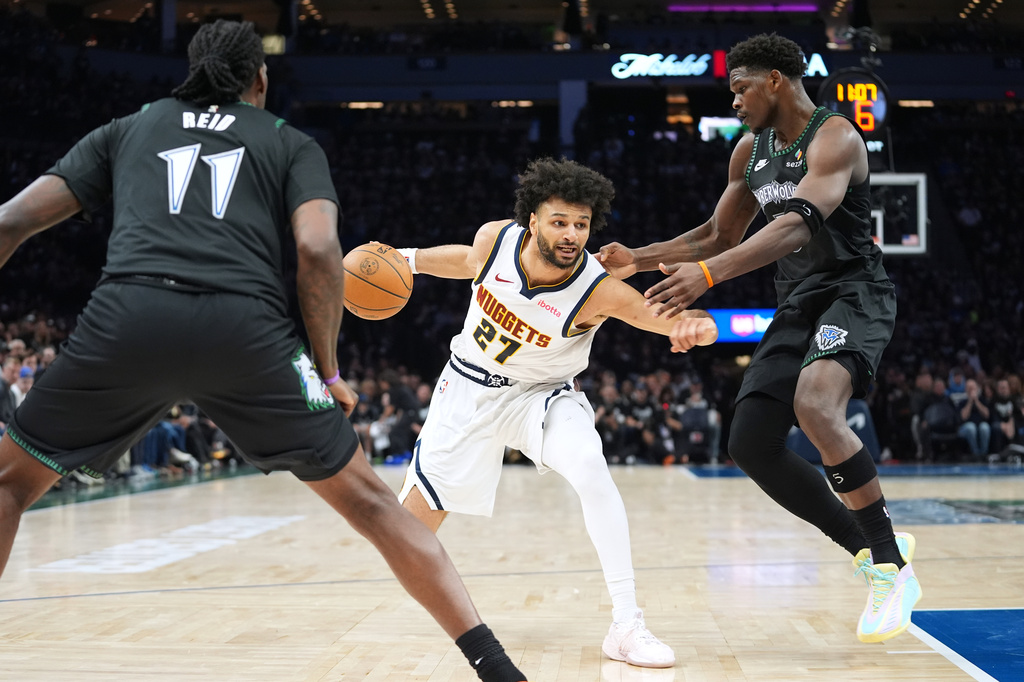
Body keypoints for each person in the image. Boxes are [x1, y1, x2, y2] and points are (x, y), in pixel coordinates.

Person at [0, 20, 526, 682]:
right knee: (370, 500)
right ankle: (497, 668)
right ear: (261, 80)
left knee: (11, 482)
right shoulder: (289, 141)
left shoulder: (130, 126)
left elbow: (11, 220)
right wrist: (328, 369)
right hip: (248, 334)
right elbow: (316, 249)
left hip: (129, 320)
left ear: (190, 71)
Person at [596, 33, 921, 643]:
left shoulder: (835, 137)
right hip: (798, 301)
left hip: (854, 291)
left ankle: (893, 570)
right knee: (749, 443)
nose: (734, 100)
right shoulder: (748, 150)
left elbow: (798, 225)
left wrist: (712, 276)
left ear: (775, 79)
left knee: (815, 402)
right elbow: (717, 234)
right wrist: (637, 258)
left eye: (740, 87)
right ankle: (870, 546)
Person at [395, 157, 718, 668]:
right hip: (466, 391)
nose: (572, 234)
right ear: (532, 220)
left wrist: (697, 328)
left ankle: (627, 624)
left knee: (591, 467)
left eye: (582, 225)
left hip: (541, 396)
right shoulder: (495, 240)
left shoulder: (597, 288)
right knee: (406, 534)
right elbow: (463, 261)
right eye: (560, 221)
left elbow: (656, 317)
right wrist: (406, 258)